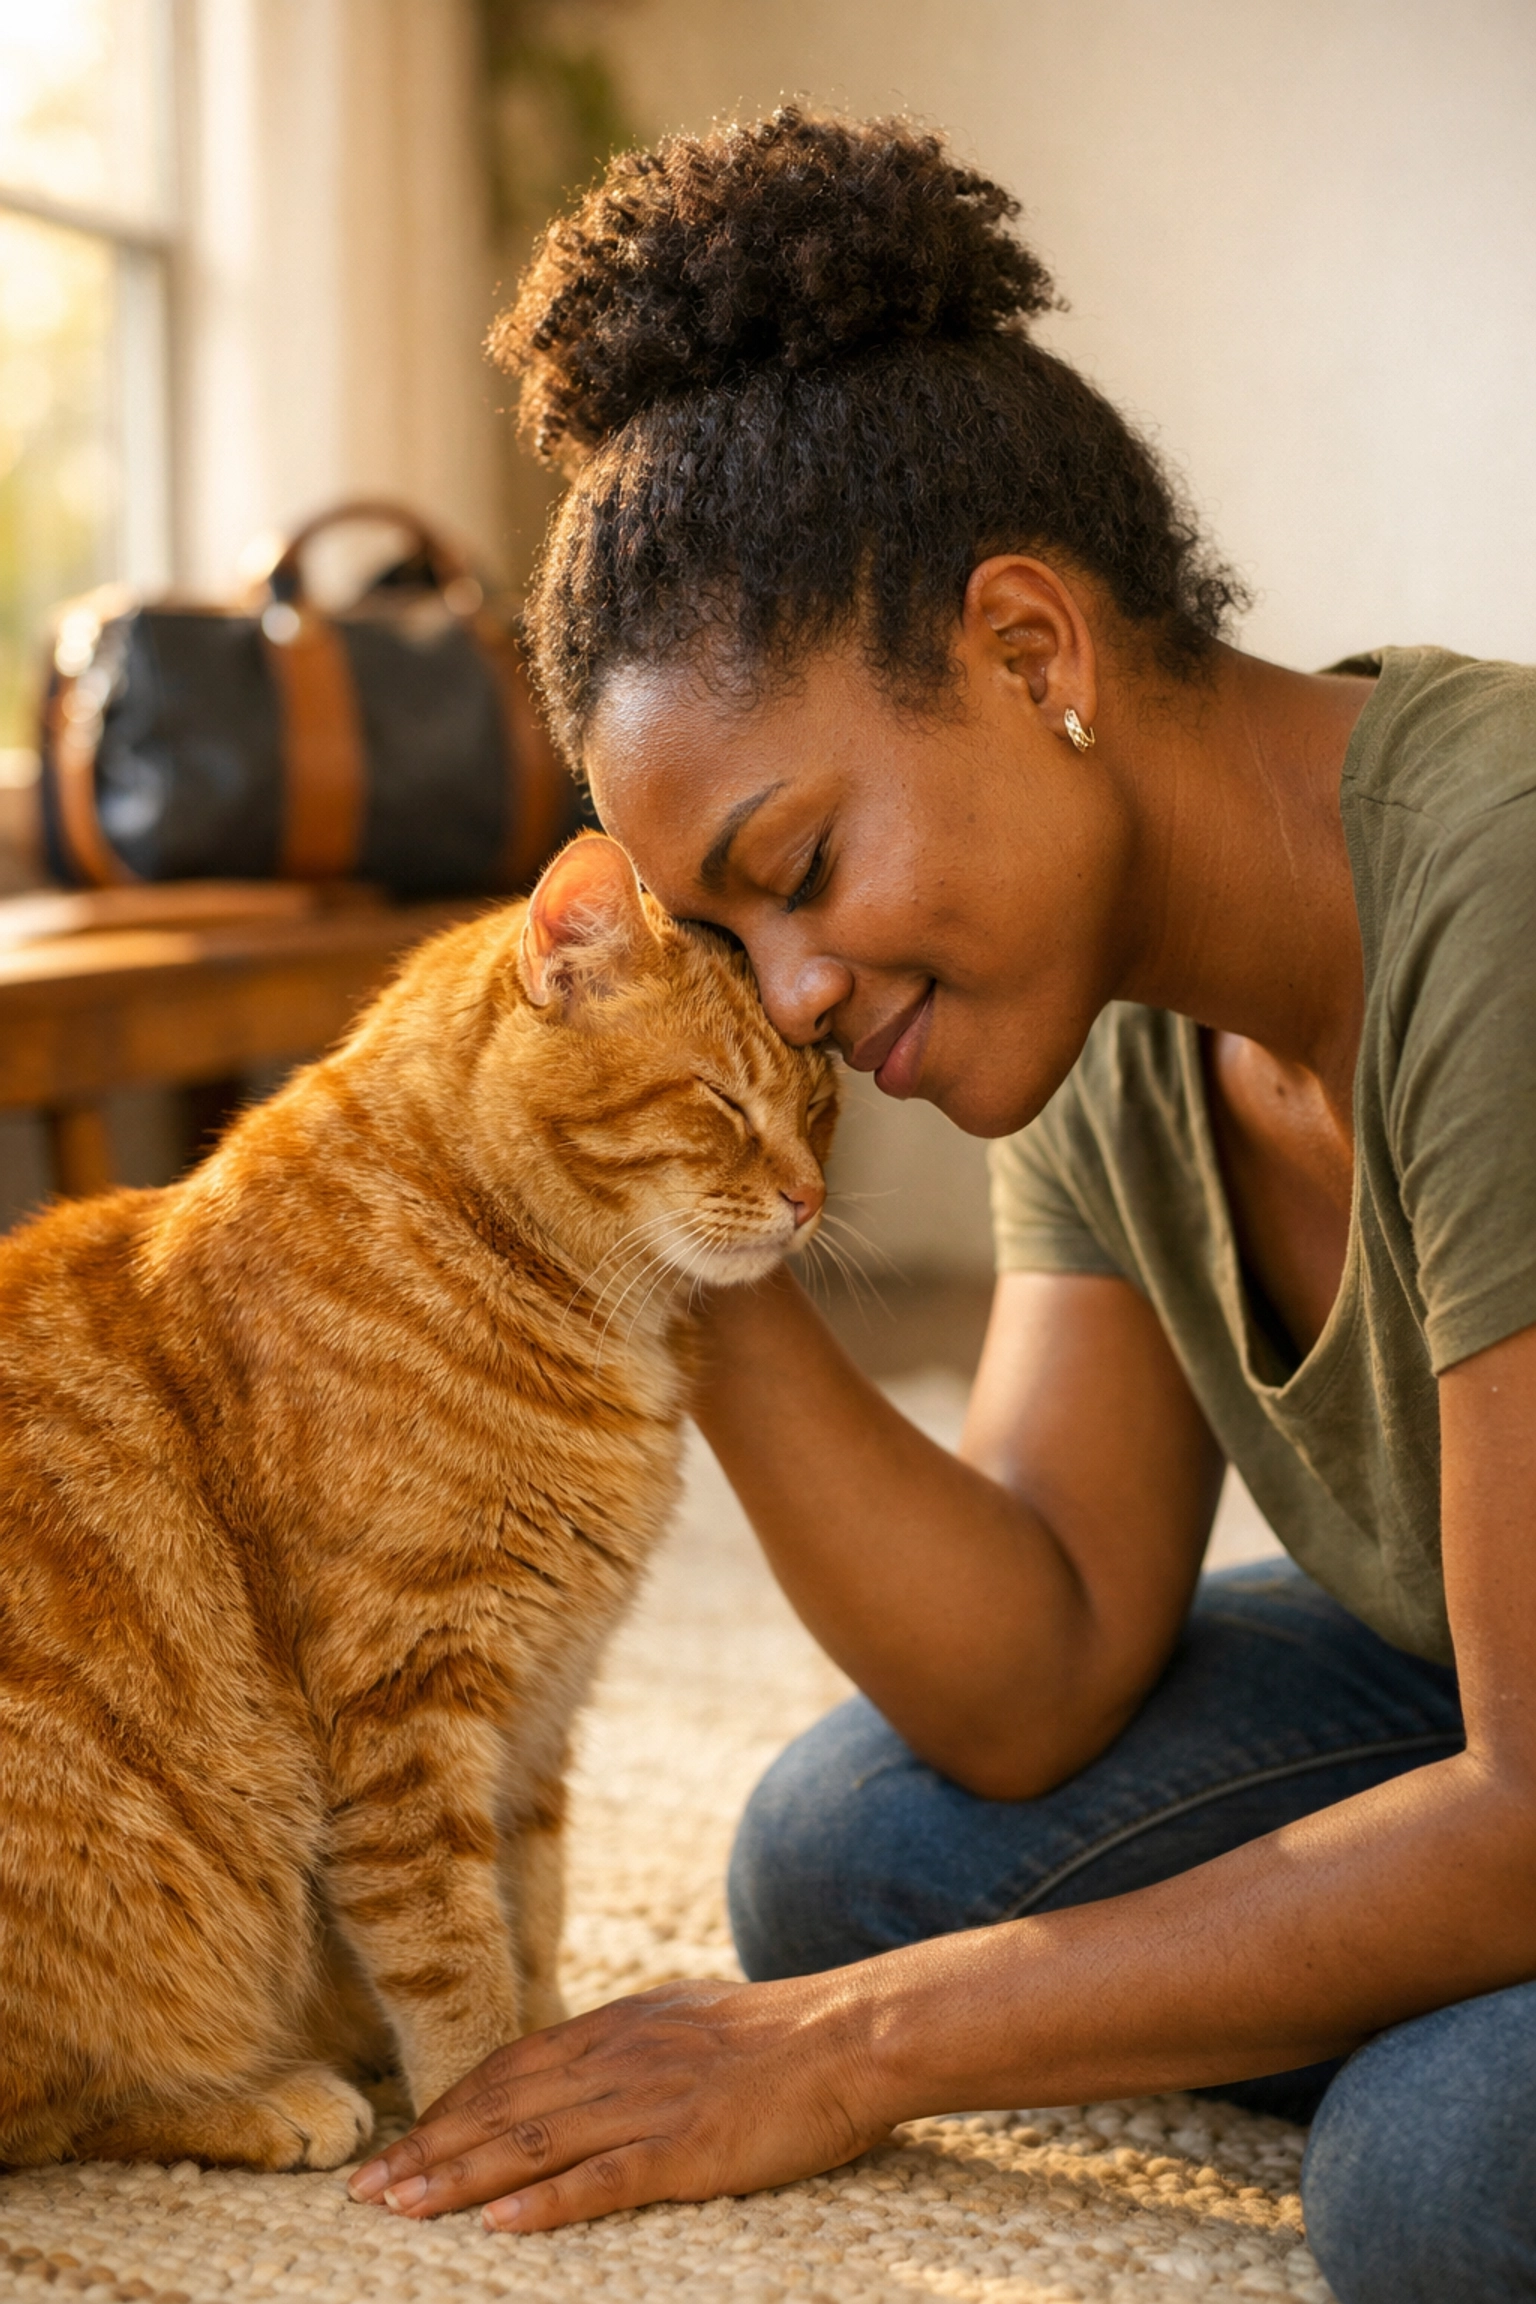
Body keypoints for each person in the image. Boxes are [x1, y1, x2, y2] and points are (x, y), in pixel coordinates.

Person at [348, 112, 1536, 2302]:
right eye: (726, 945)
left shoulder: (1503, 886)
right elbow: (1036, 1669)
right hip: (1490, 1686)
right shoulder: (1093, 989)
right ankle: (1373, 1952)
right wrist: (655, 1188)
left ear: (1027, 651)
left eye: (796, 871)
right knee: (853, 1849)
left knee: (1447, 2175)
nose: (793, 1000)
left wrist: (861, 2052)